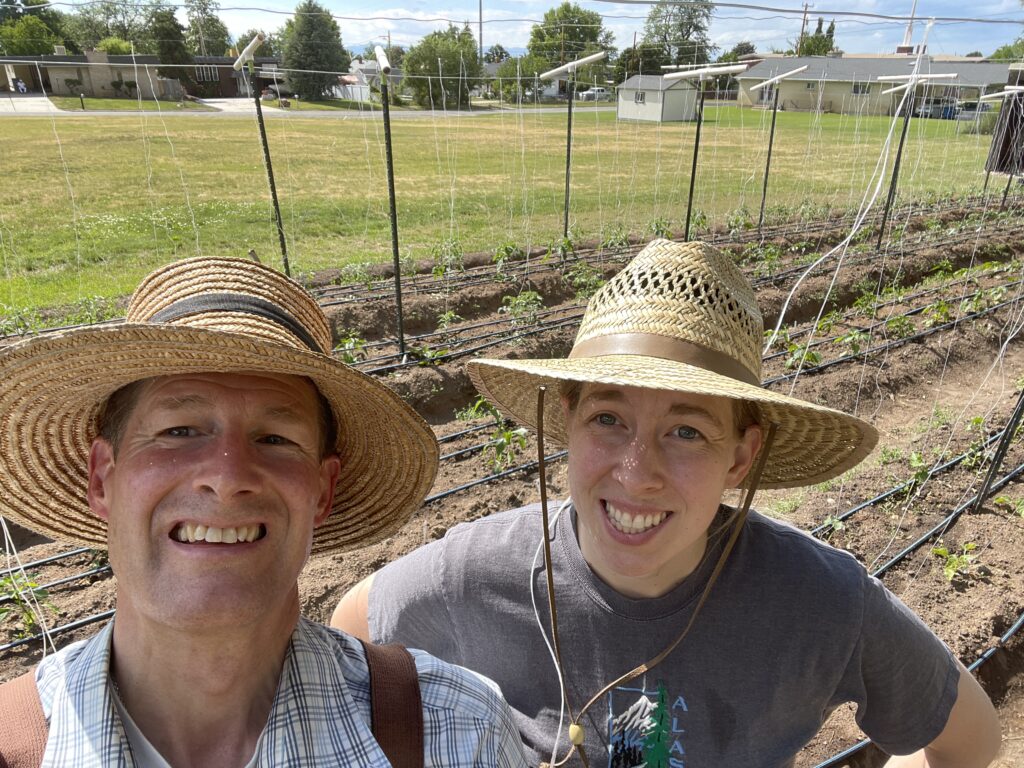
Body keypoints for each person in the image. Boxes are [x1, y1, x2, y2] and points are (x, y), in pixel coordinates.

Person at [333, 239, 1002, 767]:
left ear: (741, 456)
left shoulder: (821, 605)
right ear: (568, 422)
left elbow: (969, 741)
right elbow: (353, 629)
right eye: (607, 420)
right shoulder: (472, 577)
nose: (636, 472)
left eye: (686, 431)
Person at [0, 256, 527, 767]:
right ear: (102, 479)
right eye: (179, 431)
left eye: (275, 438)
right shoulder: (12, 743)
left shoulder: (455, 733)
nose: (228, 478)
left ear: (322, 490)